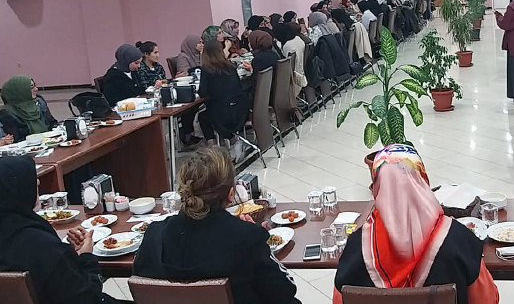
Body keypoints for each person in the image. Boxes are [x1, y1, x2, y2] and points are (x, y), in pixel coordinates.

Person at [333, 144, 499, 304]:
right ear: (423, 181)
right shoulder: (460, 240)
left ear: (377, 188)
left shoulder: (355, 247)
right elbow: (488, 300)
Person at [133, 148, 300, 304]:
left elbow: (140, 282)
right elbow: (285, 291)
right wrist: (261, 247)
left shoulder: (153, 235)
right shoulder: (248, 238)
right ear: (231, 194)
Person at [0, 156, 130, 304]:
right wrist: (86, 256)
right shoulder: (41, 246)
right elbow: (89, 297)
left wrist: (69, 256)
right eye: (30, 178)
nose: (38, 182)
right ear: (17, 189)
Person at [198, 40, 251, 138]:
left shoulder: (206, 69)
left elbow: (203, 93)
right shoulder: (231, 66)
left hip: (221, 114)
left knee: (202, 117)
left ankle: (212, 144)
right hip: (240, 110)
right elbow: (239, 86)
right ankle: (232, 139)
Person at [0, 76, 57, 140]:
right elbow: (14, 139)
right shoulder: (7, 112)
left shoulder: (39, 102)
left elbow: (52, 123)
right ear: (20, 91)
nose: (36, 89)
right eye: (31, 87)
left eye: (35, 86)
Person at [275, 23, 308, 96]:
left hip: (294, 79)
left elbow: (285, 64)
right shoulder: (298, 39)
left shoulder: (287, 45)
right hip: (301, 73)